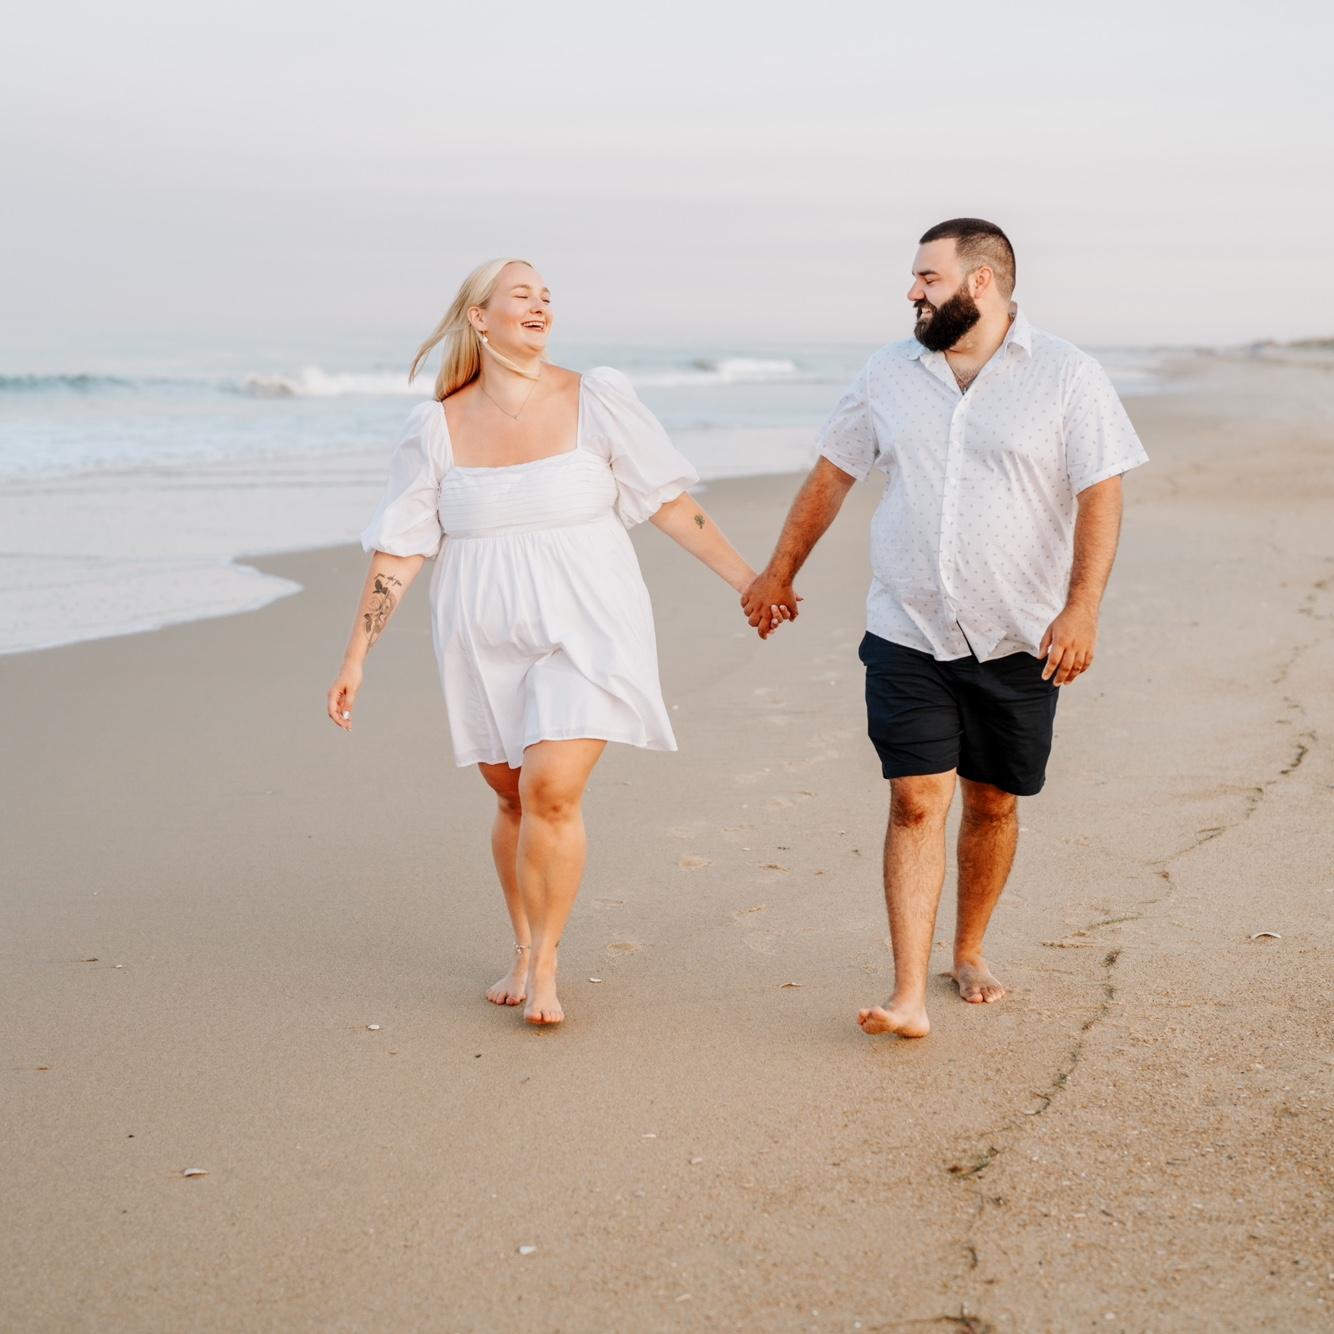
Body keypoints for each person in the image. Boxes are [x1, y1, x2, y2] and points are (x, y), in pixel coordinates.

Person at [327, 258, 780, 1027]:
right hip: (480, 636)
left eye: (546, 297)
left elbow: (669, 504)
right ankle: (522, 945)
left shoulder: (596, 399)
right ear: (479, 317)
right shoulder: (435, 427)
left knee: (551, 790)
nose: (540, 306)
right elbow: (401, 548)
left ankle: (546, 963)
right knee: (512, 795)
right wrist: (356, 657)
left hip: (590, 624)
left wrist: (750, 580)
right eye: (521, 296)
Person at [742, 218, 1148, 1039]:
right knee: (916, 799)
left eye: (928, 278)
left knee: (992, 803)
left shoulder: (1067, 374)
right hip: (908, 625)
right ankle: (906, 995)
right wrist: (779, 572)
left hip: (1020, 634)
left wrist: (1082, 607)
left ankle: (968, 950)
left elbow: (1100, 493)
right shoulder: (888, 372)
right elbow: (832, 476)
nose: (912, 292)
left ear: (980, 282)